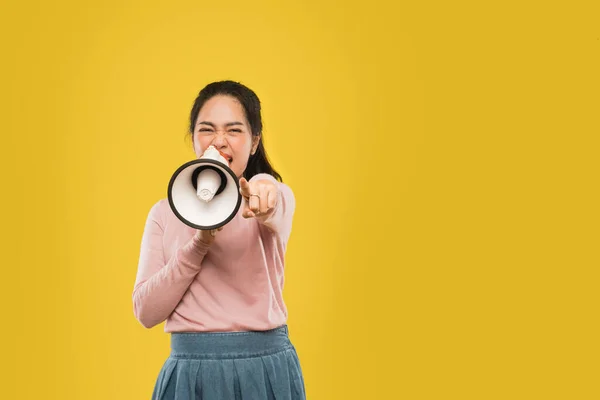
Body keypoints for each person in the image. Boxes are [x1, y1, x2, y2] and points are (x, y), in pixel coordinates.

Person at [132, 80, 306, 399]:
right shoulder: (163, 213)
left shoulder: (269, 198)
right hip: (190, 373)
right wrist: (198, 245)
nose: (220, 142)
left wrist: (265, 187)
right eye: (208, 130)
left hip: (265, 370)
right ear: (194, 138)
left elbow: (272, 200)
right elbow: (146, 312)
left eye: (234, 130)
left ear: (254, 142)